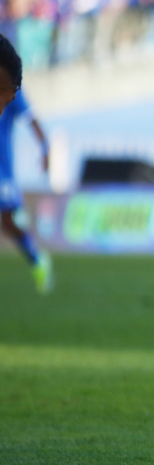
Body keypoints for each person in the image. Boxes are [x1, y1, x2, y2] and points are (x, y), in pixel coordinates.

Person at [0, 33, 53, 294]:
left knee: (7, 222)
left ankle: (37, 259)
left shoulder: (10, 88)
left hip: (2, 168)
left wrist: (45, 148)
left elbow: (31, 119)